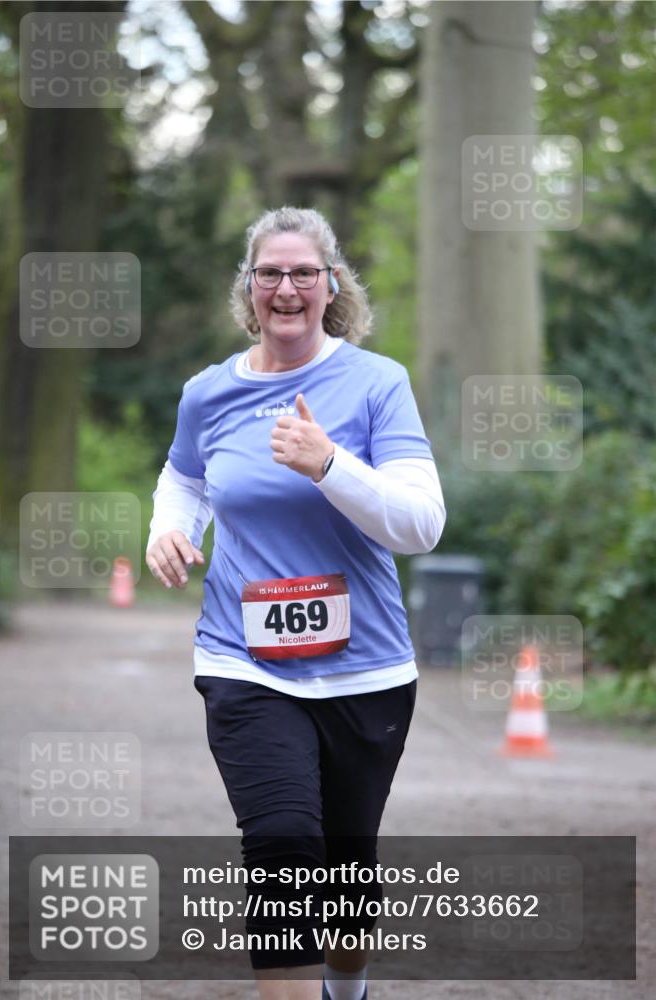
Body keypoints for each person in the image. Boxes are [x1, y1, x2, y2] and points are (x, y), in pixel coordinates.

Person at [146, 206, 446, 1000]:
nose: (286, 289)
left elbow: (420, 525)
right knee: (282, 849)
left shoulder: (378, 383)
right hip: (244, 663)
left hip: (366, 671)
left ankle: (346, 990)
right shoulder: (208, 393)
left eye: (303, 274)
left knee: (346, 883)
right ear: (248, 289)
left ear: (331, 285)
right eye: (269, 274)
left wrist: (329, 464)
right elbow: (185, 477)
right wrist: (169, 529)